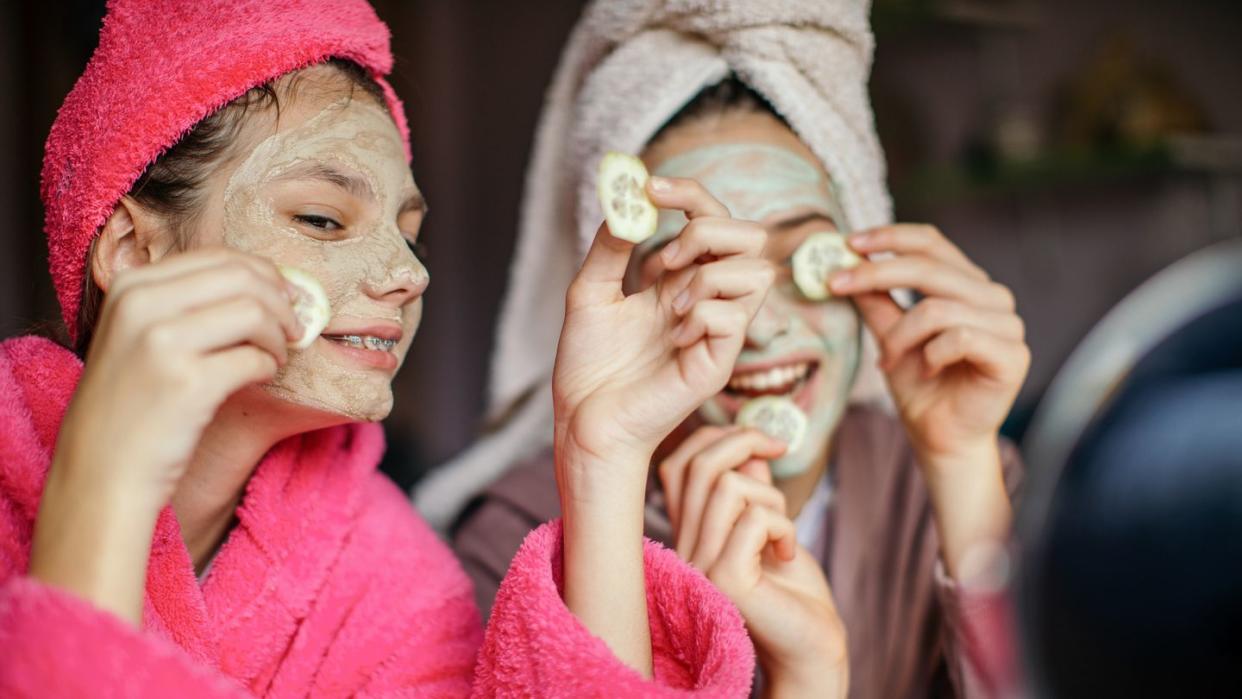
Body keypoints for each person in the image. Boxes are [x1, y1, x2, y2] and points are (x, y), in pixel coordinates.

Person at [0, 1, 768, 695]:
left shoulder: (388, 581)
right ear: (134, 249)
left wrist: (602, 456)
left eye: (410, 234)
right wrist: (103, 486)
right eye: (323, 220)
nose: (408, 275)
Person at [439, 2, 1030, 697]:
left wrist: (960, 462)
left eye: (801, 254)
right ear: (622, 305)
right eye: (701, 272)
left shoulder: (947, 481)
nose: (759, 325)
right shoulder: (515, 542)